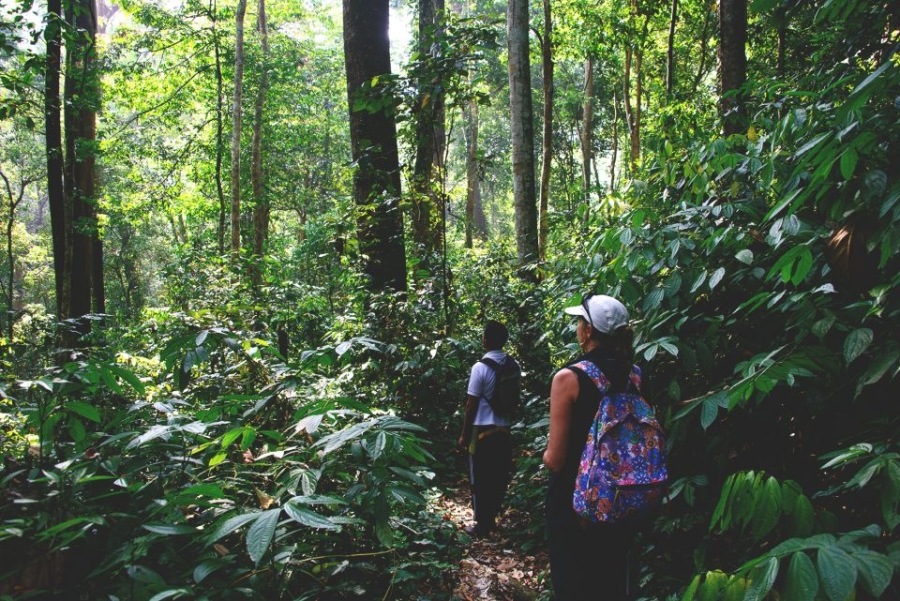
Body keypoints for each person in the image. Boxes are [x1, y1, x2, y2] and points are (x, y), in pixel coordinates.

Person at [543, 294, 642, 601]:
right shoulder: (636, 376)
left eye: (579, 322)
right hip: (623, 498)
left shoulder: (568, 378)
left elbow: (556, 460)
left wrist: (545, 455)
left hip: (576, 504)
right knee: (611, 584)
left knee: (574, 587)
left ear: (587, 331)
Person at [458, 320, 515, 537]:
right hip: (504, 430)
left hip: (481, 431)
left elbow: (471, 404)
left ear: (486, 340)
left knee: (479, 477)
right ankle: (491, 519)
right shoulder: (513, 365)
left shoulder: (480, 368)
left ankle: (482, 524)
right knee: (499, 476)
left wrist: (464, 435)